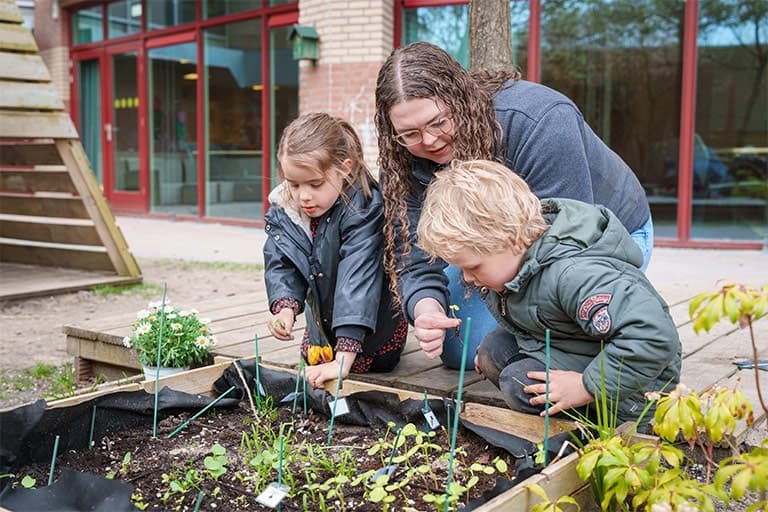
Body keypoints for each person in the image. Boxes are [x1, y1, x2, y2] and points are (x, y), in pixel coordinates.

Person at [374, 41, 654, 369]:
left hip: (598, 239)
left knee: (520, 345)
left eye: (439, 122)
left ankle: (623, 310)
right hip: (496, 246)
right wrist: (426, 308)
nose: (430, 141)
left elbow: (566, 242)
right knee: (460, 350)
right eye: (410, 133)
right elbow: (414, 254)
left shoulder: (540, 121)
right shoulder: (403, 155)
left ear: (459, 98)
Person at [416, 160, 680, 428]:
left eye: (473, 267)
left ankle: (591, 422)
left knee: (519, 383)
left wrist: (585, 386)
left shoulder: (574, 275)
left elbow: (653, 336)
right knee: (492, 351)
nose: (467, 278)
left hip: (637, 388)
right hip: (579, 346)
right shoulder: (514, 262)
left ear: (512, 238)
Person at [263, 112, 408, 389]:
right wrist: (285, 308)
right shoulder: (287, 210)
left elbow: (358, 280)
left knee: (367, 363)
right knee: (314, 360)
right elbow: (282, 263)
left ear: (344, 168)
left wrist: (343, 359)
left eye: (315, 184)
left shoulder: (363, 209)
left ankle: (346, 351)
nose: (303, 195)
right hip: (325, 329)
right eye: (294, 184)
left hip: (373, 334)